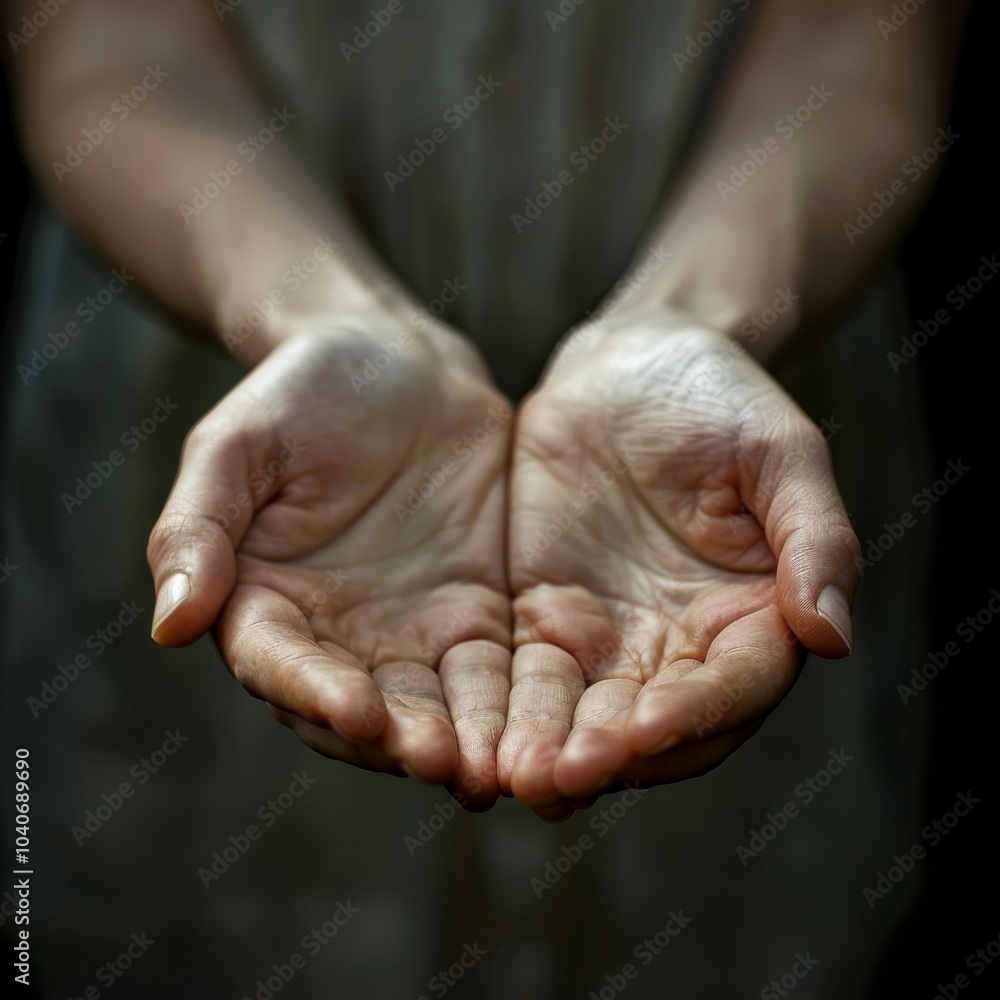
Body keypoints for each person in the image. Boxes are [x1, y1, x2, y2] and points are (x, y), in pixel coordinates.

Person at [1, 0, 966, 995]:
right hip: (224, 298)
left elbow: (861, 45)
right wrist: (317, 316)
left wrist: (692, 318)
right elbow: (107, 49)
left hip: (757, 295)